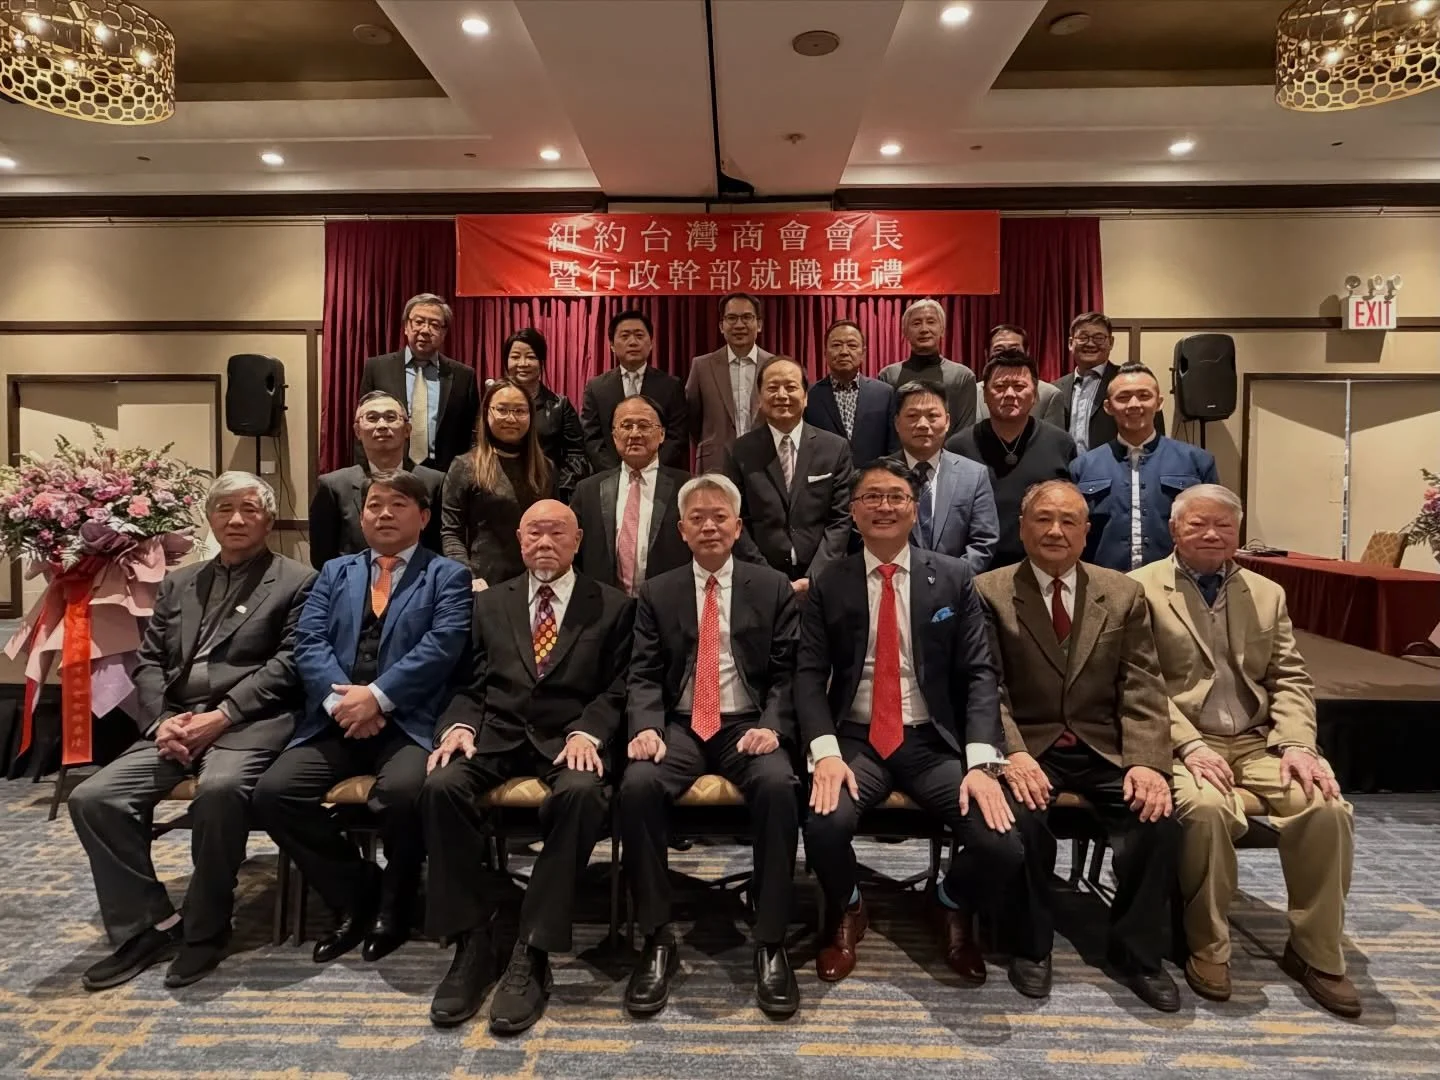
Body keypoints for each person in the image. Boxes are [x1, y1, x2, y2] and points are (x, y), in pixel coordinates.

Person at [68, 473, 314, 991]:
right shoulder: (182, 581)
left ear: (269, 520)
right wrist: (162, 721)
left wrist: (221, 715)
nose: (236, 519)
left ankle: (207, 928)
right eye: (224, 509)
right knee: (95, 797)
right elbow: (151, 660)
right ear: (210, 517)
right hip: (176, 724)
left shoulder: (297, 580)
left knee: (220, 792)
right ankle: (151, 924)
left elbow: (290, 664)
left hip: (248, 723)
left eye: (249, 509)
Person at [1131, 483, 1360, 1017]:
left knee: (1327, 809)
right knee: (1206, 809)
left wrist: (1299, 744)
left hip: (1260, 742)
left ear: (1238, 531)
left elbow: (1290, 678)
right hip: (1184, 740)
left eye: (1223, 526)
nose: (1211, 534)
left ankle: (1315, 951)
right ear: (1174, 531)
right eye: (1198, 525)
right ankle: (1208, 945)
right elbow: (1137, 681)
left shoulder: (1266, 592)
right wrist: (1187, 746)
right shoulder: (1139, 589)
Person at [797, 459, 1023, 985]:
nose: (884, 507)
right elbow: (808, 675)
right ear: (853, 512)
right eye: (870, 498)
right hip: (857, 740)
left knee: (1001, 843)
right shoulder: (830, 581)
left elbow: (980, 674)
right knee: (822, 826)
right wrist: (825, 753)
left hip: (931, 742)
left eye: (895, 497)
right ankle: (850, 905)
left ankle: (946, 902)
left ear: (913, 509)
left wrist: (982, 762)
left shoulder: (952, 576)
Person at [421, 500, 636, 1034]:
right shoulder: (489, 604)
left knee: (583, 795)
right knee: (441, 784)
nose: (545, 542)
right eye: (534, 532)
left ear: (578, 539)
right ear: (519, 540)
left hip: (570, 739)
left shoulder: (611, 606)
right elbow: (467, 684)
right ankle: (474, 940)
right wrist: (460, 725)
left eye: (557, 532)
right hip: (495, 733)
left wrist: (590, 730)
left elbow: (620, 687)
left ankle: (532, 949)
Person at [975, 480, 1180, 1012]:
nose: (1055, 531)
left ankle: (1137, 954)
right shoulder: (989, 591)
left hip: (1102, 745)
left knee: (1156, 818)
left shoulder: (1124, 592)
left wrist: (1147, 762)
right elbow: (984, 687)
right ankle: (1029, 945)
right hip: (1027, 743)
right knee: (1017, 819)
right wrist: (1012, 752)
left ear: (1087, 532)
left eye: (1069, 521)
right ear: (1022, 528)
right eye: (1043, 519)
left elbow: (1142, 684)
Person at [251, 471, 471, 967]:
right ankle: (356, 893)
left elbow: (442, 647)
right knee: (273, 794)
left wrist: (377, 697)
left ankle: (395, 902)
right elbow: (309, 643)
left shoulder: (447, 575)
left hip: (410, 722)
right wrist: (341, 704)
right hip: (336, 721)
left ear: (424, 517)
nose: (385, 513)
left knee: (404, 794)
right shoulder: (334, 572)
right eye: (375, 505)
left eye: (397, 504)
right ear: (361, 515)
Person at [621, 474, 801, 1019]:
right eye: (696, 517)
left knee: (777, 785)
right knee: (637, 786)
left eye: (719, 516)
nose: (708, 525)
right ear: (680, 529)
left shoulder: (769, 586)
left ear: (737, 525)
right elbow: (643, 672)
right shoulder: (658, 590)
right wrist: (645, 725)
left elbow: (789, 673)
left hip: (745, 723)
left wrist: (773, 724)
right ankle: (655, 935)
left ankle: (770, 940)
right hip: (678, 723)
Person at [1070, 363, 1218, 571]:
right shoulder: (1082, 466)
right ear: (1108, 407)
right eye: (1123, 397)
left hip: (1177, 583)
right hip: (1105, 584)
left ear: (1158, 403)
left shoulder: (1197, 462)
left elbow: (1214, 527)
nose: (1134, 404)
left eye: (1144, 396)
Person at [723, 357, 854, 593]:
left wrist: (815, 576)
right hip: (759, 581)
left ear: (805, 397)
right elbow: (736, 520)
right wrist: (768, 578)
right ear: (759, 399)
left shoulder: (834, 448)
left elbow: (840, 519)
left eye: (791, 387)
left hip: (822, 580)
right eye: (772, 388)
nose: (782, 395)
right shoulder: (740, 450)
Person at [949, 350, 1077, 567]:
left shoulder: (1061, 444)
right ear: (985, 395)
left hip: (1043, 567)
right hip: (975, 569)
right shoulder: (958, 447)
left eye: (1019, 387)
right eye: (999, 387)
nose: (1009, 394)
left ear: (1035, 395)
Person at [441, 378, 554, 590]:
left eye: (520, 411)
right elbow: (451, 533)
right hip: (482, 585)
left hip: (536, 583)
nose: (511, 418)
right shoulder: (465, 466)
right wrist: (467, 576)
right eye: (501, 409)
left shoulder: (546, 468)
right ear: (486, 413)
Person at [571, 395, 691, 593]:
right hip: (604, 609)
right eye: (626, 426)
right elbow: (572, 551)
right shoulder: (588, 490)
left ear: (661, 434)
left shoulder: (687, 487)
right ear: (614, 435)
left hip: (668, 606)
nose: (635, 434)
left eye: (644, 426)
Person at [310, 391, 444, 567]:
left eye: (390, 417)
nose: (382, 425)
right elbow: (322, 557)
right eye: (372, 418)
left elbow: (443, 546)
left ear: (407, 430)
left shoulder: (434, 482)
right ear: (357, 431)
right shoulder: (333, 485)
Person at [356, 292, 480, 472]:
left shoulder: (463, 376)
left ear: (444, 332)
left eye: (434, 325)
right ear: (406, 326)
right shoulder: (377, 368)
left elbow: (472, 433)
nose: (425, 330)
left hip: (446, 476)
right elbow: (362, 424)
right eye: (419, 322)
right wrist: (366, 472)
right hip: (389, 471)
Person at [886, 381, 997, 573]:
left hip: (956, 590)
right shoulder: (879, 475)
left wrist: (949, 582)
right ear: (897, 422)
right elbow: (867, 534)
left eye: (932, 416)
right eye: (912, 416)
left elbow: (983, 541)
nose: (922, 424)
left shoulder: (974, 474)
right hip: (894, 585)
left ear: (946, 421)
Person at [581, 309, 688, 471]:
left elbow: (677, 437)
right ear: (611, 345)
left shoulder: (671, 385)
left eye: (639, 335)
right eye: (625, 336)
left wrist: (651, 468)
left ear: (651, 343)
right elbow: (592, 439)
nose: (633, 342)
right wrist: (620, 473)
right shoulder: (596, 388)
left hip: (660, 476)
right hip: (610, 476)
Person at [1052, 312, 1164, 455]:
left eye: (1099, 338)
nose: (1090, 343)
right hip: (1064, 473)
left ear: (1111, 342)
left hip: (1117, 472)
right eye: (1083, 337)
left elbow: (1155, 433)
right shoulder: (1055, 388)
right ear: (1070, 343)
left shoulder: (1131, 381)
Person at [687, 292, 774, 474]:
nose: (739, 325)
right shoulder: (702, 366)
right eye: (732, 318)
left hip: (766, 462)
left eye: (747, 317)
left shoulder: (775, 365)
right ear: (721, 326)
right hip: (716, 463)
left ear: (759, 324)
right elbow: (692, 418)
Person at [501, 327, 590, 503]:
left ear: (541, 361)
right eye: (515, 356)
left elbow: (576, 455)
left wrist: (556, 490)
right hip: (500, 493)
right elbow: (477, 446)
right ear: (506, 361)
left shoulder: (560, 405)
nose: (523, 363)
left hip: (546, 495)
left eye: (531, 357)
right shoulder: (493, 404)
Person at [805, 319, 898, 467]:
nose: (844, 352)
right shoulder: (809, 395)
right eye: (836, 345)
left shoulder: (885, 394)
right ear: (825, 353)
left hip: (873, 482)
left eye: (852, 345)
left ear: (863, 353)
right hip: (826, 485)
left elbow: (894, 446)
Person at [876, 298, 975, 437]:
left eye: (931, 322)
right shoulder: (889, 375)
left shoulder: (962, 376)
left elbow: (965, 431)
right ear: (905, 332)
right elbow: (886, 430)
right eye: (916, 323)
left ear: (942, 329)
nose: (924, 329)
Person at [974, 324, 1065, 428]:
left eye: (1014, 350)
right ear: (987, 354)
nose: (1006, 354)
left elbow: (1053, 439)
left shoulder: (1050, 395)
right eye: (998, 349)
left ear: (1027, 352)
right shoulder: (973, 392)